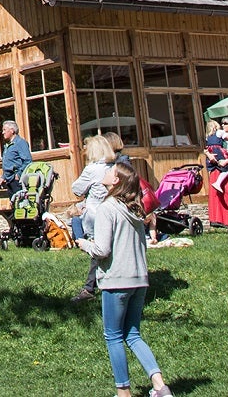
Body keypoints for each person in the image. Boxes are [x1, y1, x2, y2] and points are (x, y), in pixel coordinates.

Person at [77, 165, 173, 397]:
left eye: (110, 170)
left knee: (113, 336)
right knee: (133, 334)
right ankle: (160, 386)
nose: (106, 172)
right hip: (139, 279)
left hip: (116, 280)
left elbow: (102, 249)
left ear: (116, 180)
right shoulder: (135, 209)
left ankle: (123, 392)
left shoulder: (107, 208)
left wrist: (83, 244)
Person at [70, 133, 117, 301]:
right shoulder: (116, 166)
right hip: (115, 214)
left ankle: (90, 289)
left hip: (97, 215)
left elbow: (76, 189)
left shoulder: (92, 169)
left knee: (98, 252)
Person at [0, 119, 32, 187]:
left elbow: (27, 161)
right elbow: (9, 163)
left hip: (18, 181)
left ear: (12, 130)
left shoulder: (20, 143)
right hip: (9, 181)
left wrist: (18, 175)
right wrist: (3, 177)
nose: (3, 132)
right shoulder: (8, 145)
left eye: (4, 130)